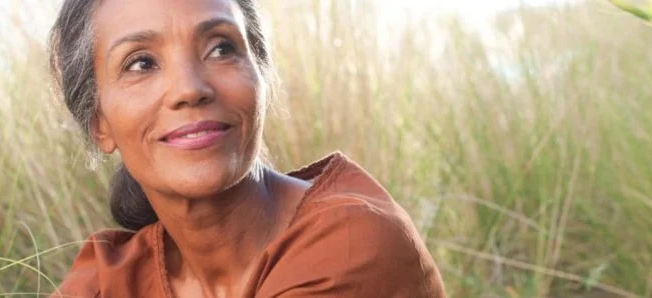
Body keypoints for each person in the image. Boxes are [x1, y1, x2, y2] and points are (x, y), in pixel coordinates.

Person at [46, 0, 446, 297]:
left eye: (221, 48)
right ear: (98, 122)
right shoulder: (110, 280)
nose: (190, 88)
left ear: (262, 78)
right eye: (141, 63)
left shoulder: (349, 245)